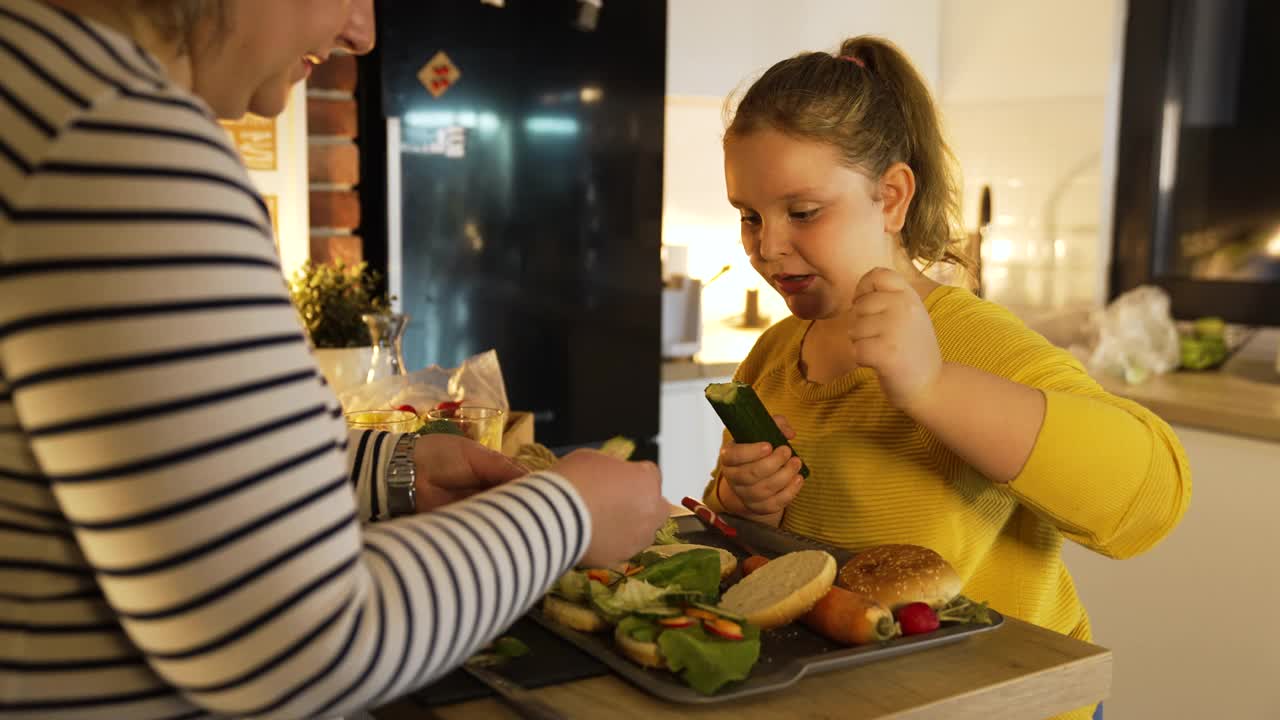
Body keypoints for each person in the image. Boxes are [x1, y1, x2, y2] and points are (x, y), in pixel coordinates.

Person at [0, 1, 669, 718]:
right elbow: (301, 641)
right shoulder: (120, 141)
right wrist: (566, 514)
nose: (364, 32)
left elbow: (165, 472)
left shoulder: (42, 92)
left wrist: (391, 470)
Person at [703, 36, 1191, 720]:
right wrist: (741, 501)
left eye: (803, 211)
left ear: (892, 198)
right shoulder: (773, 356)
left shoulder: (972, 341)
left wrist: (931, 386)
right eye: (749, 216)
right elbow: (748, 554)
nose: (767, 246)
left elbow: (1151, 501)